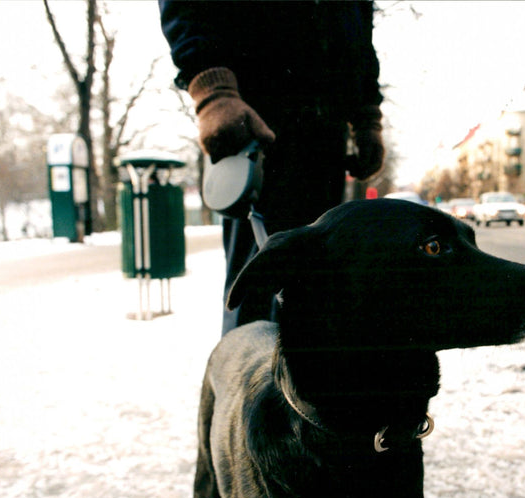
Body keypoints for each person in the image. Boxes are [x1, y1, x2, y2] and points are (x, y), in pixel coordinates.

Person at [158, 1, 385, 335]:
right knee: (257, 293)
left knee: (315, 296)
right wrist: (213, 91)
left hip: (326, 132)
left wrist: (367, 117)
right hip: (256, 123)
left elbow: (359, 25)